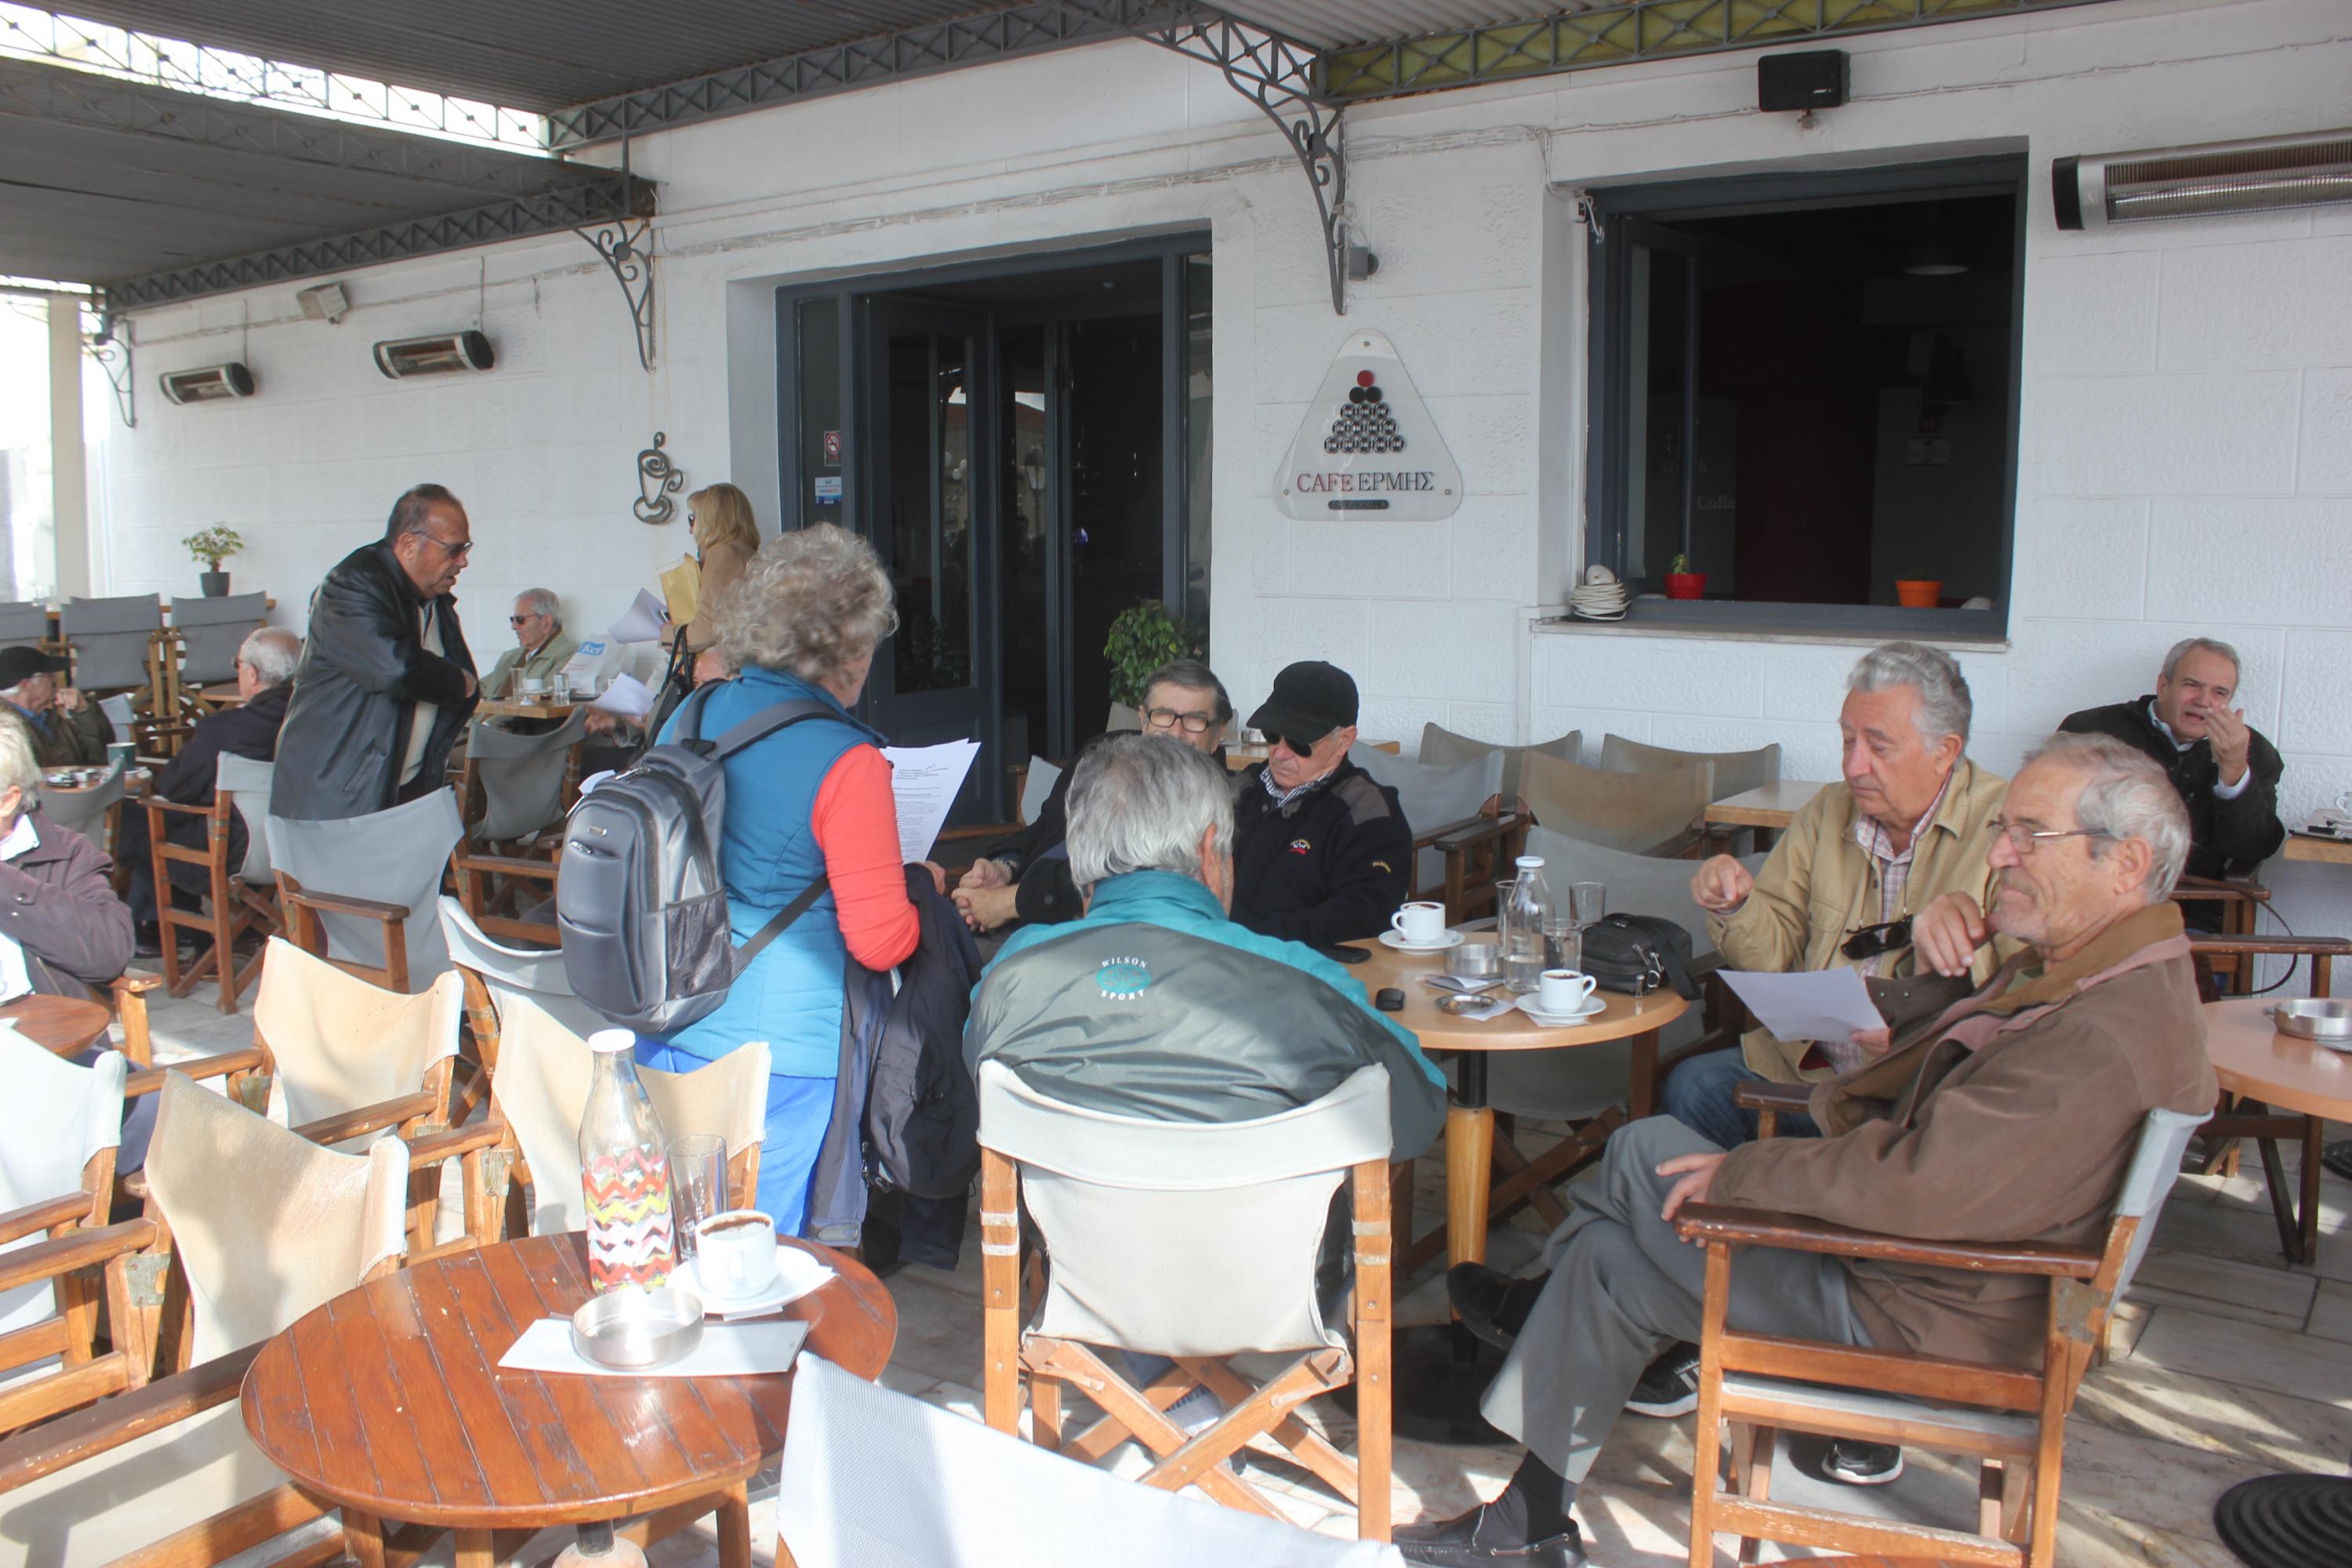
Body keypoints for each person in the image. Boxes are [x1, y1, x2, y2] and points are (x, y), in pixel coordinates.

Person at [1406, 734, 2216, 1568]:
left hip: (1919, 1311)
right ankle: (1530, 1520)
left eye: (2029, 835)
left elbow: (1923, 1186)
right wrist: (1953, 960)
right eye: (2002, 829)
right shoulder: (2110, 974)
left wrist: (1743, 1172)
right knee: (1609, 1254)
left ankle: (1532, 1330)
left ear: (2126, 862)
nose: (2001, 854)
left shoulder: (2097, 1034)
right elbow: (1964, 1095)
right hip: (1942, 1284)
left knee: (1643, 1148)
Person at [633, 524, 942, 1235]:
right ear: (852, 649)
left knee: (674, 1238)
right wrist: (917, 890)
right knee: (755, 1256)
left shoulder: (696, 710)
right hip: (776, 1054)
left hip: (669, 1016)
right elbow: (879, 942)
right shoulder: (849, 759)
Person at [969, 730, 1446, 1146]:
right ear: (1210, 852)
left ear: (1080, 851)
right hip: (1261, 1224)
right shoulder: (1305, 980)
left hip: (1071, 1222)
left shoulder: (1011, 972)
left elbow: (983, 1084)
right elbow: (1414, 1115)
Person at [1666, 642, 2010, 1151]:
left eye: (1878, 747)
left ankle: (1797, 1193)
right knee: (1693, 1087)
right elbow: (1773, 955)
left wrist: (1921, 1046)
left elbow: (2031, 997)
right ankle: (1761, 1199)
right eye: (1848, 740)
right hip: (1812, 1072)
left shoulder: (2009, 830)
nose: (1853, 766)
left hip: (1922, 1089)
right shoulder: (1827, 811)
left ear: (1945, 750)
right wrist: (1734, 905)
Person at [953, 659, 1233, 934]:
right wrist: (1003, 866)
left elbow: (1119, 879)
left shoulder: (1213, 803)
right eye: (1163, 715)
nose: (1175, 732)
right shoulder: (1105, 755)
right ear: (1143, 718)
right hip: (1008, 913)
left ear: (1218, 733)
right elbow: (1046, 824)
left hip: (1075, 936)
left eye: (1195, 720)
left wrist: (1005, 903)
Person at [269, 484, 479, 821]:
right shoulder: (351, 585)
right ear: (409, 544)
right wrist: (460, 682)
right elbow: (397, 669)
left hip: (403, 788)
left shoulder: (434, 598)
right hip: (340, 798)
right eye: (453, 550)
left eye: (466, 548)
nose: (463, 561)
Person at [120, 627, 299, 956]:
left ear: (251, 674)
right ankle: (244, 927)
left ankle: (190, 934)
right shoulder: (316, 721)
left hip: (234, 854)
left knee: (132, 821)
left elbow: (173, 788)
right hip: (297, 849)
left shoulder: (224, 729)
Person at [2060, 637, 2285, 897]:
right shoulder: (2089, 732)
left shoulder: (2252, 751)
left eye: (2219, 693)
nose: (2204, 701)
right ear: (2163, 685)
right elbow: (2052, 818)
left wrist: (2234, 770)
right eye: (2192, 685)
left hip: (2193, 904)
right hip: (2094, 895)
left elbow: (2255, 847)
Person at [1228, 660, 1410, 946]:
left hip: (1300, 963)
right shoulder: (1244, 787)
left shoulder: (1367, 811)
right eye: (1272, 735)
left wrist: (1250, 940)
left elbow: (1364, 914)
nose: (1281, 753)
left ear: (1345, 741)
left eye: (1300, 742)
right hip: (1215, 950)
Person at [0, 719, 133, 998]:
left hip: (39, 1020)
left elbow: (109, 955)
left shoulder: (65, 854)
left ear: (7, 801)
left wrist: (8, 885)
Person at [675, 482, 760, 653]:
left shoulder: (723, 553)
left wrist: (666, 633)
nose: (691, 529)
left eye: (693, 518)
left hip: (722, 661)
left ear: (709, 520)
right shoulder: (745, 552)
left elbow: (705, 632)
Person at [0, 647, 112, 768]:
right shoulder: (5, 729)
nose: (55, 679)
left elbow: (103, 759)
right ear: (26, 685)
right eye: (49, 675)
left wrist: (83, 710)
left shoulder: (53, 720)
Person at [478, 589, 579, 702]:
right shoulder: (511, 657)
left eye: (520, 620)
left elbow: (543, 700)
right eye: (512, 620)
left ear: (546, 622)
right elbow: (478, 689)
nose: (514, 626)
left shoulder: (570, 655)